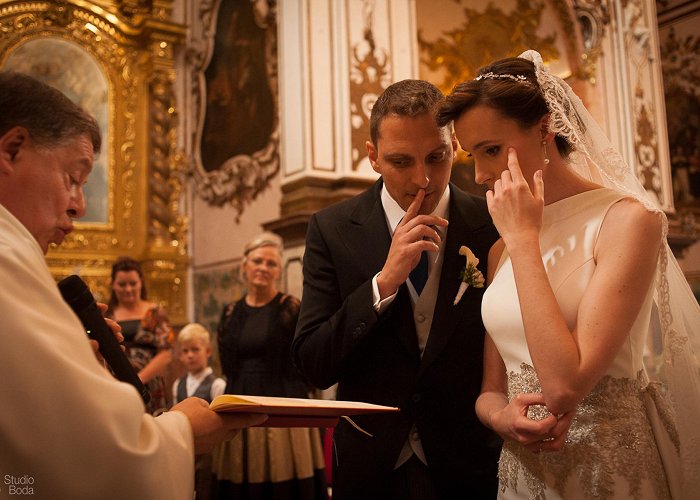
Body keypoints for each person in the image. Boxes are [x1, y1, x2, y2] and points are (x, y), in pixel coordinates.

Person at [436, 50, 700, 499]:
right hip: (523, 472)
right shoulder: (502, 246)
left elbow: (563, 387)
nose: (479, 175)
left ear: (544, 129)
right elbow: (491, 390)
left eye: (492, 150)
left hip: (610, 469)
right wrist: (502, 419)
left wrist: (524, 242)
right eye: (471, 155)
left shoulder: (626, 222)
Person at [0, 71, 266, 499]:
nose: (79, 206)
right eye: (72, 177)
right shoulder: (6, 261)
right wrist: (181, 430)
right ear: (12, 150)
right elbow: (97, 464)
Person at [292, 79, 501, 499]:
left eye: (436, 157)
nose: (422, 179)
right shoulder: (332, 230)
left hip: (470, 464)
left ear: (453, 145)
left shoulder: (493, 222)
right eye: (401, 161)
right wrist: (383, 284)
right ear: (373, 157)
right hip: (371, 465)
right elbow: (314, 363)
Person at [212, 232, 327, 499]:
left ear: (279, 271)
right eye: (257, 261)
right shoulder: (230, 311)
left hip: (284, 404)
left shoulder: (291, 307)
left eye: (271, 263)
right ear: (244, 266)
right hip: (240, 401)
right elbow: (227, 363)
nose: (263, 268)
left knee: (284, 481)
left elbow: (305, 360)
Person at [107, 256, 175, 414]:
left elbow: (166, 354)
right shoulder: (107, 314)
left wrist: (138, 380)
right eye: (122, 284)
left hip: (150, 386)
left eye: (133, 283)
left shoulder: (155, 312)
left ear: (141, 282)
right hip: (115, 385)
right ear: (113, 285)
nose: (128, 289)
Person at [172, 323, 227, 500]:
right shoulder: (177, 385)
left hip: (209, 453)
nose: (190, 355)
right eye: (185, 351)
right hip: (184, 449)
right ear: (180, 355)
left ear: (208, 352)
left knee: (206, 488)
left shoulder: (217, 385)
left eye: (195, 349)